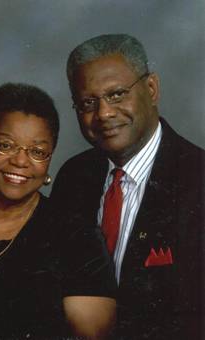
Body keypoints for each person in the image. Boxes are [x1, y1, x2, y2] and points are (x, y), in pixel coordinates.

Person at [50, 34, 205, 340]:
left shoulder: (198, 179)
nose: (104, 113)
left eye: (117, 94)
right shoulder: (73, 176)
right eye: (88, 103)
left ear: (151, 89)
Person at [0, 82, 116, 339]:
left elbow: (92, 335)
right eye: (5, 146)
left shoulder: (77, 237)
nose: (20, 161)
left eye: (37, 152)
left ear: (50, 159)